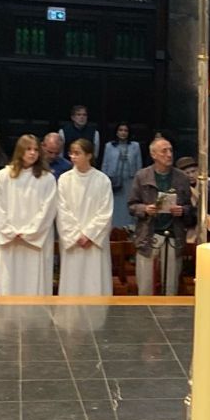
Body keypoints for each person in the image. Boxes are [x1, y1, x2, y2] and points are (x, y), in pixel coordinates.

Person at [0, 133, 58, 294]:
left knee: (34, 283)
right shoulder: (3, 176)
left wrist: (30, 232)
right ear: (20, 150)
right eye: (28, 149)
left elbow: (48, 209)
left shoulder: (47, 178)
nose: (32, 153)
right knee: (10, 283)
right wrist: (9, 231)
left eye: (36, 149)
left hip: (36, 241)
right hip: (11, 241)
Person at [128, 136, 192, 295]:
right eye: (164, 151)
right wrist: (145, 209)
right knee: (145, 286)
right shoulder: (142, 176)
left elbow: (191, 208)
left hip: (173, 235)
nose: (169, 154)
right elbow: (132, 206)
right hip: (148, 235)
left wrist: (182, 210)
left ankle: (168, 311)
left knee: (171, 286)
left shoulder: (182, 177)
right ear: (154, 154)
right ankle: (145, 311)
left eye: (170, 150)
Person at [56, 138, 114, 296]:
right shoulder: (64, 179)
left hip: (94, 243)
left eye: (77, 153)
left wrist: (89, 234)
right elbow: (62, 210)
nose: (73, 157)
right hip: (73, 243)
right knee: (73, 283)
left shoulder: (102, 180)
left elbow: (105, 212)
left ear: (89, 155)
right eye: (71, 153)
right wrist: (76, 235)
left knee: (94, 281)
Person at [102, 122, 141, 229]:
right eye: (120, 130)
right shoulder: (109, 146)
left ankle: (128, 227)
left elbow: (139, 164)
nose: (123, 133)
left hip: (130, 180)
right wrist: (104, 180)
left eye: (125, 130)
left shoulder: (135, 146)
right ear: (116, 132)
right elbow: (105, 164)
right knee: (115, 206)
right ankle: (115, 227)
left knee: (128, 204)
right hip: (114, 180)